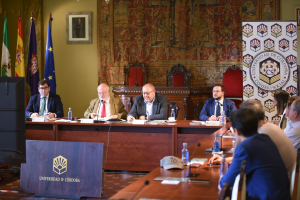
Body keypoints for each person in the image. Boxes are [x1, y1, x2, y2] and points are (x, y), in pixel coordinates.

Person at [209, 100, 296, 178]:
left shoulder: (263, 134)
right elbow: (248, 156)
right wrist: (224, 159)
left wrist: (238, 139)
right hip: (281, 183)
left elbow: (228, 179)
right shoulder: (269, 127)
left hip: (278, 186)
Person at [219, 108, 291, 200]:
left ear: (237, 131)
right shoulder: (266, 138)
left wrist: (237, 143)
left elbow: (225, 184)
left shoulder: (245, 147)